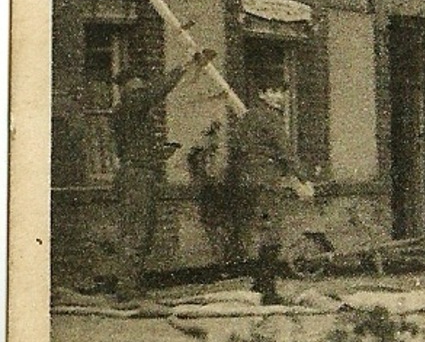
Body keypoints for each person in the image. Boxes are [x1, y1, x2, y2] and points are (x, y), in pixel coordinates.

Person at [108, 48, 216, 300]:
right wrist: (184, 67)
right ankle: (127, 288)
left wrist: (161, 152)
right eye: (137, 88)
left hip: (141, 173)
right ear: (127, 89)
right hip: (136, 177)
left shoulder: (132, 111)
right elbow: (155, 93)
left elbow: (137, 146)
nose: (141, 91)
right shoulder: (130, 105)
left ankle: (132, 284)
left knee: (142, 231)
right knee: (135, 231)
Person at [230, 86, 314, 305]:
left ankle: (259, 283)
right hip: (266, 181)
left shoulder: (247, 117)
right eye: (273, 91)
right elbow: (285, 150)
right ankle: (267, 289)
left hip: (247, 181)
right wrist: (303, 179)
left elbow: (238, 147)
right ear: (261, 94)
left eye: (283, 91)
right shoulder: (271, 118)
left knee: (259, 231)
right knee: (272, 232)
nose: (280, 97)